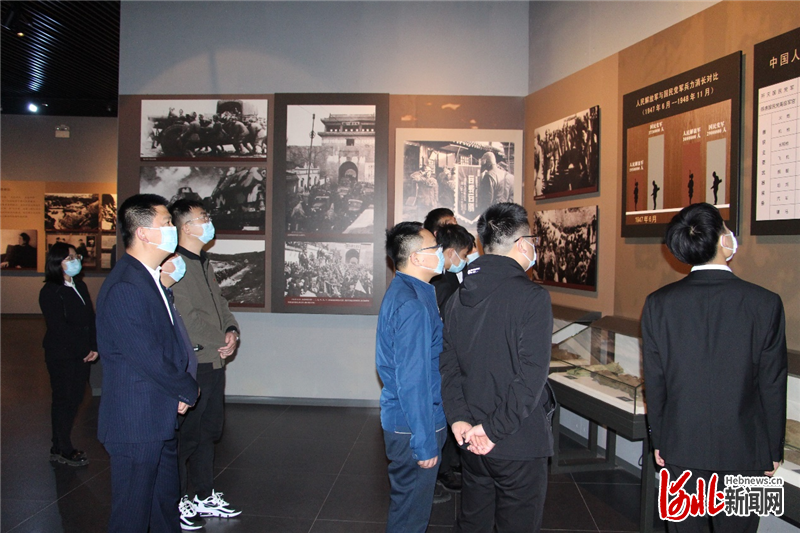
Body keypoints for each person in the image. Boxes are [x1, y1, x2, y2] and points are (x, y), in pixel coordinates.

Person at [641, 203, 787, 533]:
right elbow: (773, 383)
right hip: (746, 450)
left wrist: (659, 441)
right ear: (723, 239)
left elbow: (656, 381)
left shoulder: (658, 303)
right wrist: (773, 450)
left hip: (680, 448)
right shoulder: (765, 303)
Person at [440, 202, 555, 533]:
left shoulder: (457, 298)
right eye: (532, 240)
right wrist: (493, 430)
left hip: (471, 438)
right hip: (516, 440)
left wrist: (460, 419)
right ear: (522, 244)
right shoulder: (532, 297)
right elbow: (530, 378)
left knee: (473, 522)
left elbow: (448, 366)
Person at [96, 194, 200, 533]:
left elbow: (168, 343)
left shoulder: (149, 277)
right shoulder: (126, 285)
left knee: (163, 509)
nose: (173, 229)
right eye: (166, 223)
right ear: (142, 232)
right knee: (132, 516)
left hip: (157, 417)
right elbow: (147, 356)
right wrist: (186, 388)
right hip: (136, 423)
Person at [168, 199, 242, 525]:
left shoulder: (202, 261)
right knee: (187, 436)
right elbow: (186, 318)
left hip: (213, 361)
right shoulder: (176, 265)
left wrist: (231, 331)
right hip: (195, 363)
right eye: (203, 217)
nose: (208, 222)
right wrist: (218, 341)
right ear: (186, 227)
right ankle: (176, 500)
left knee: (208, 431)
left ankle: (202, 494)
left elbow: (220, 303)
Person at [376, 222, 448, 533]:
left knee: (408, 506)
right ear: (417, 257)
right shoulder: (413, 305)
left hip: (408, 421)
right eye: (435, 247)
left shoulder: (408, 292)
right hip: (415, 424)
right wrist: (424, 442)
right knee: (411, 515)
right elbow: (413, 380)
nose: (441, 253)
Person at [38, 242, 98, 467]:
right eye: (69, 258)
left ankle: (59, 444)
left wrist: (94, 346)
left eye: (76, 257)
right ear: (57, 262)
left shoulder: (79, 285)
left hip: (82, 353)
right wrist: (84, 349)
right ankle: (62, 447)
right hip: (62, 355)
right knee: (64, 400)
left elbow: (90, 318)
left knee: (75, 399)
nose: (75, 261)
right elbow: (58, 328)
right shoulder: (50, 291)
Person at [430, 223, 474, 496]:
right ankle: (442, 470)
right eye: (465, 254)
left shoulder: (448, 278)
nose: (466, 260)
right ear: (450, 253)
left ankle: (449, 465)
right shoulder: (442, 283)